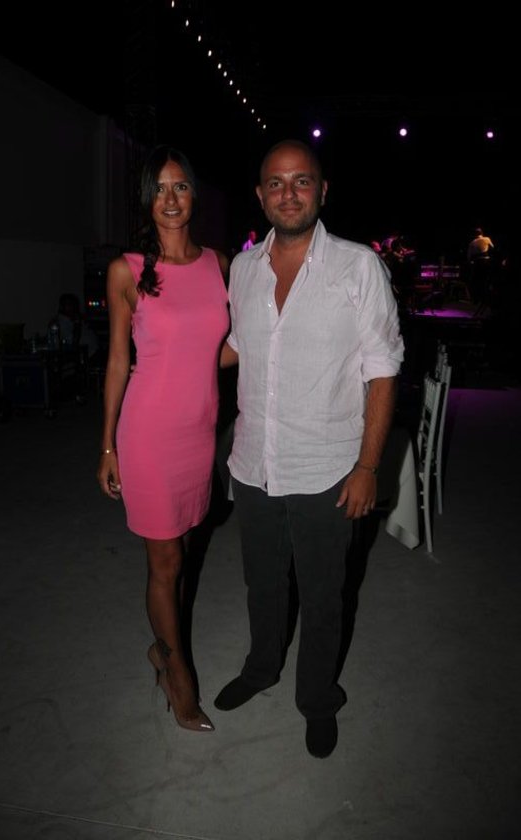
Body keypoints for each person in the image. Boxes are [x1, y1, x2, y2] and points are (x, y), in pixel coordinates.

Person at [215, 140, 404, 758]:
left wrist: (368, 466)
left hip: (328, 469)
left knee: (323, 596)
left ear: (323, 190)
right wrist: (170, 352)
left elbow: (383, 370)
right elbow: (236, 346)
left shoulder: (357, 266)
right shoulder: (243, 268)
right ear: (260, 194)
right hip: (254, 464)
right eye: (276, 182)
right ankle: (261, 668)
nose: (288, 193)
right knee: (263, 583)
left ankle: (318, 699)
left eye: (301, 181)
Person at [97, 145, 229, 732]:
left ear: (194, 195)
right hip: (147, 434)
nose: (170, 199)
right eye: (159, 188)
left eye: (180, 187)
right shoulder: (126, 270)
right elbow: (117, 361)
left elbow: (223, 348)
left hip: (199, 433)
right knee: (166, 561)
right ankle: (178, 678)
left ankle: (159, 647)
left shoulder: (219, 264)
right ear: (146, 200)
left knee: (185, 548)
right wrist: (107, 445)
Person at [467, 227, 494, 311]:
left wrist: (471, 262)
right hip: (486, 262)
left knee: (476, 281)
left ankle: (476, 299)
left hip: (478, 263)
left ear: (474, 235)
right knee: (486, 280)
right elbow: (493, 248)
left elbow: (469, 257)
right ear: (482, 233)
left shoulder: (472, 243)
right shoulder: (487, 239)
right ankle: (487, 299)